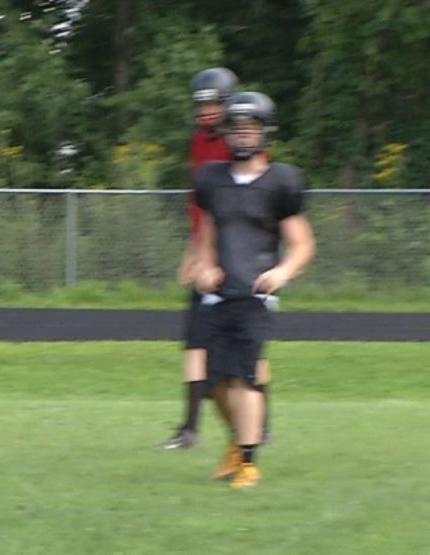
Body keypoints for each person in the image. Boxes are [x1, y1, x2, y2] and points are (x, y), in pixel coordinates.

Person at [193, 92, 315, 488]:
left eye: (251, 128)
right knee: (214, 384)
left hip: (256, 293)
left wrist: (284, 271)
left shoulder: (281, 181)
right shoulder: (212, 178)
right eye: (237, 128)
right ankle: (237, 440)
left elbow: (302, 243)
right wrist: (206, 265)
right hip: (218, 294)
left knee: (245, 377)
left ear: (264, 131)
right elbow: (209, 232)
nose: (243, 135)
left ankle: (247, 461)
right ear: (226, 133)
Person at [161, 67, 238, 449]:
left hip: (237, 254)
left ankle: (261, 423)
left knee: (244, 345)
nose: (206, 110)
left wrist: (219, 256)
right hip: (205, 249)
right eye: (201, 103)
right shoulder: (198, 143)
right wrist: (192, 252)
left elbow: (240, 205)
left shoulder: (240, 143)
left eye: (213, 102)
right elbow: (198, 202)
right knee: (193, 342)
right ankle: (190, 429)